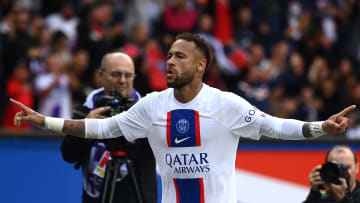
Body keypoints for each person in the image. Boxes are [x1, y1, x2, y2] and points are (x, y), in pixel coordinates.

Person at [11, 32, 356, 203]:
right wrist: (45, 122)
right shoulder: (152, 106)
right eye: (169, 55)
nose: (170, 62)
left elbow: (275, 126)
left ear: (201, 65)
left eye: (179, 56)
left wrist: (321, 127)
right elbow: (102, 127)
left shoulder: (226, 105)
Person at [61, 52, 157, 203]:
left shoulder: (148, 111)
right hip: (95, 197)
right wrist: (84, 128)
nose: (123, 80)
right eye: (116, 74)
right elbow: (68, 155)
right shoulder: (86, 110)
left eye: (128, 75)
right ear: (101, 75)